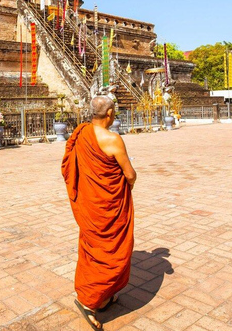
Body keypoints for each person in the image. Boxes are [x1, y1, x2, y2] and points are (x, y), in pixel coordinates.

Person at [62, 96, 137, 330]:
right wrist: (127, 186)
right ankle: (88, 302)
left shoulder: (81, 132)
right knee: (114, 252)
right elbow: (130, 174)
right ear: (111, 113)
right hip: (108, 206)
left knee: (93, 249)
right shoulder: (113, 140)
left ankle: (103, 295)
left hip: (92, 204)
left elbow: (68, 166)